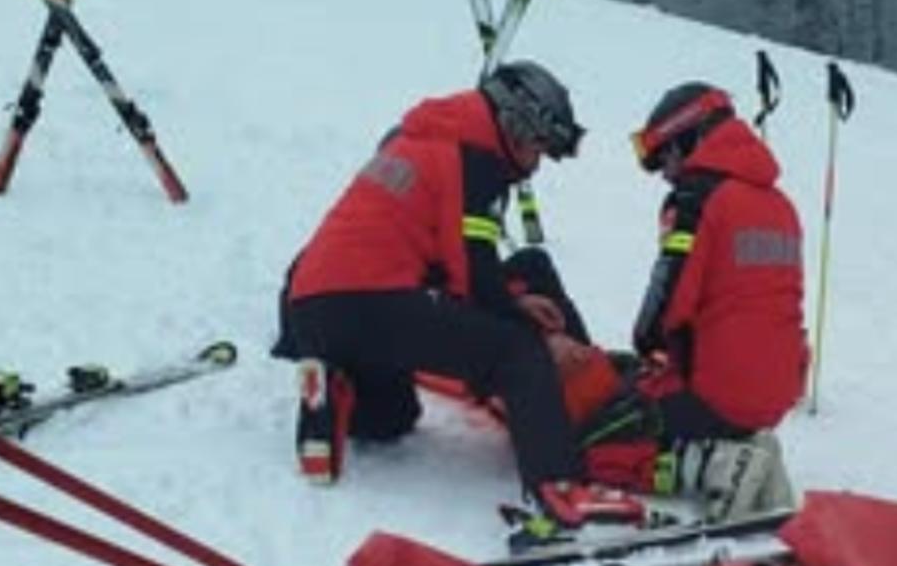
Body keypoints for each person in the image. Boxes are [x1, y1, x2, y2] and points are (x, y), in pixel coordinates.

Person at [273, 61, 637, 528]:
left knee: (393, 417)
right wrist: (537, 336)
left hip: (317, 308)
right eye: (537, 148)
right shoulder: (473, 159)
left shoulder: (424, 140)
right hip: (373, 298)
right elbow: (476, 279)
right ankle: (562, 492)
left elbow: (450, 264)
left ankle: (336, 383)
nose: (536, 164)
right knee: (516, 350)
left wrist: (510, 302)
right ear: (515, 126)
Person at [572, 81, 808, 522]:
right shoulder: (780, 205)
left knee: (586, 444)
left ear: (691, 137)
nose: (666, 172)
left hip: (718, 391)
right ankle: (737, 446)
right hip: (776, 389)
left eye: (667, 157)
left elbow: (666, 303)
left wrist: (649, 347)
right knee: (639, 390)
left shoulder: (697, 199)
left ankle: (708, 467)